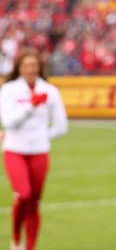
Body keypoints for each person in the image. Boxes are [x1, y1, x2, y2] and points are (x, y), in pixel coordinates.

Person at [0, 49, 68, 250]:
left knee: (35, 203)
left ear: (39, 67)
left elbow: (61, 126)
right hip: (14, 150)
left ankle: (30, 246)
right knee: (24, 194)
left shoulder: (51, 91)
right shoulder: (8, 90)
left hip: (39, 152)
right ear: (19, 68)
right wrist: (30, 104)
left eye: (34, 65)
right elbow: (8, 122)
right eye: (26, 65)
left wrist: (41, 137)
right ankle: (15, 237)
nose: (30, 69)